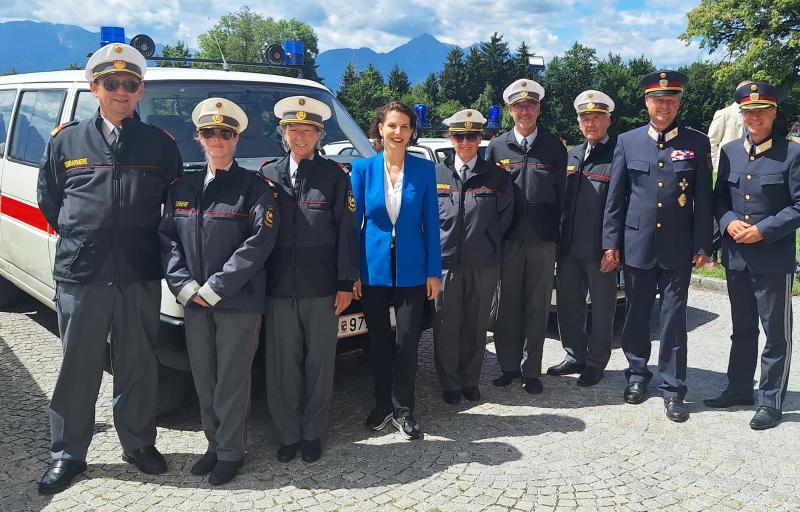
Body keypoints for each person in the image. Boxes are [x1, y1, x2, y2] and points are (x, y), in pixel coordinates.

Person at [36, 43, 182, 494]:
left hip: (138, 271)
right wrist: (84, 237)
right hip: (83, 273)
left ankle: (137, 443)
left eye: (130, 84)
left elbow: (173, 206)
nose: (121, 91)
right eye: (111, 83)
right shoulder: (67, 140)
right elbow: (50, 200)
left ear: (140, 91)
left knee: (138, 362)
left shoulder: (159, 144)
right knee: (77, 365)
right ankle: (68, 453)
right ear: (94, 87)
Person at [159, 98, 278, 484]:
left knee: (232, 379)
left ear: (236, 138)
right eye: (209, 133)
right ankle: (213, 445)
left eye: (225, 133)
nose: (217, 139)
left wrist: (216, 287)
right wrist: (184, 285)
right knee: (204, 376)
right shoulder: (183, 187)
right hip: (194, 301)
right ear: (198, 137)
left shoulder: (254, 188)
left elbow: (259, 243)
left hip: (237, 302)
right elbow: (167, 240)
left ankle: (232, 451)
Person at [602, 71, 713, 422]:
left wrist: (703, 243)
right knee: (636, 314)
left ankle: (673, 388)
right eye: (657, 99)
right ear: (647, 103)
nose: (664, 105)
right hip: (637, 244)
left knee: (673, 318)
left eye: (670, 100)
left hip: (679, 246)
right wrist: (610, 243)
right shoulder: (628, 141)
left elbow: (704, 200)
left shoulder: (697, 142)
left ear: (678, 103)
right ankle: (637, 375)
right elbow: (615, 199)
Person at [259, 96, 359, 463]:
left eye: (308, 130)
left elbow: (347, 232)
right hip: (278, 288)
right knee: (281, 367)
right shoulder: (268, 175)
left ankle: (313, 433)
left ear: (319, 134)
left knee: (320, 365)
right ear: (283, 133)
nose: (300, 136)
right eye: (293, 129)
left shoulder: (335, 176)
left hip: (321, 288)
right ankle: (287, 434)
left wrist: (346, 282)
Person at [705, 82, 800, 430]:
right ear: (740, 115)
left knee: (776, 333)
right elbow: (719, 199)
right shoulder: (729, 151)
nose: (754, 117)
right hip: (737, 256)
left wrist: (764, 229)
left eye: (761, 111)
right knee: (742, 328)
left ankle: (770, 400)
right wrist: (728, 222)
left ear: (774, 113)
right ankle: (740, 387)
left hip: (772, 256)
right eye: (748, 111)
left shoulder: (792, 154)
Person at [350, 101, 441, 440]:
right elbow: (354, 225)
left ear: (412, 132)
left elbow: (431, 223)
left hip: (413, 269)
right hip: (372, 269)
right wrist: (353, 272)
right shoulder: (362, 169)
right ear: (380, 129)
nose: (398, 133)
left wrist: (434, 273)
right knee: (378, 341)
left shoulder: (424, 170)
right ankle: (381, 404)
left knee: (407, 340)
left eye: (404, 127)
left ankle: (404, 409)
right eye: (392, 126)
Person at [485, 79, 567, 395]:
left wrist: (557, 236)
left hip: (543, 241)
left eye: (530, 104)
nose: (525, 110)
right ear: (510, 110)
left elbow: (562, 196)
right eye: (518, 105)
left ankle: (531, 370)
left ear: (539, 109)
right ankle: (508, 367)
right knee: (507, 306)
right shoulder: (496, 147)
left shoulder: (554, 147)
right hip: (507, 242)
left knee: (537, 307)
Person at [433, 109, 514, 404]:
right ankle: (450, 382)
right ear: (450, 138)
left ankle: (470, 379)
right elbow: (428, 221)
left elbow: (506, 218)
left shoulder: (497, 177)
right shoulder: (437, 175)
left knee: (476, 324)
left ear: (480, 138)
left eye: (471, 136)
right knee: (446, 325)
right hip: (445, 264)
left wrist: (488, 244)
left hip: (483, 264)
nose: (465, 142)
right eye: (458, 136)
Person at [548, 90, 618, 387]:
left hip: (599, 248)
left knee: (602, 308)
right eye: (585, 118)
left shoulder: (618, 154)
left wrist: (614, 247)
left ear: (608, 120)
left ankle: (596, 361)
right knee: (568, 303)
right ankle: (574, 354)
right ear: (579, 122)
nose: (591, 123)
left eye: (597, 117)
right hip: (568, 246)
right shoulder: (572, 154)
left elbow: (622, 206)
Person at [708, 81, 753, 172]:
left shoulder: (756, 116)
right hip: (728, 164)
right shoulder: (724, 113)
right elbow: (712, 142)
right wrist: (716, 166)